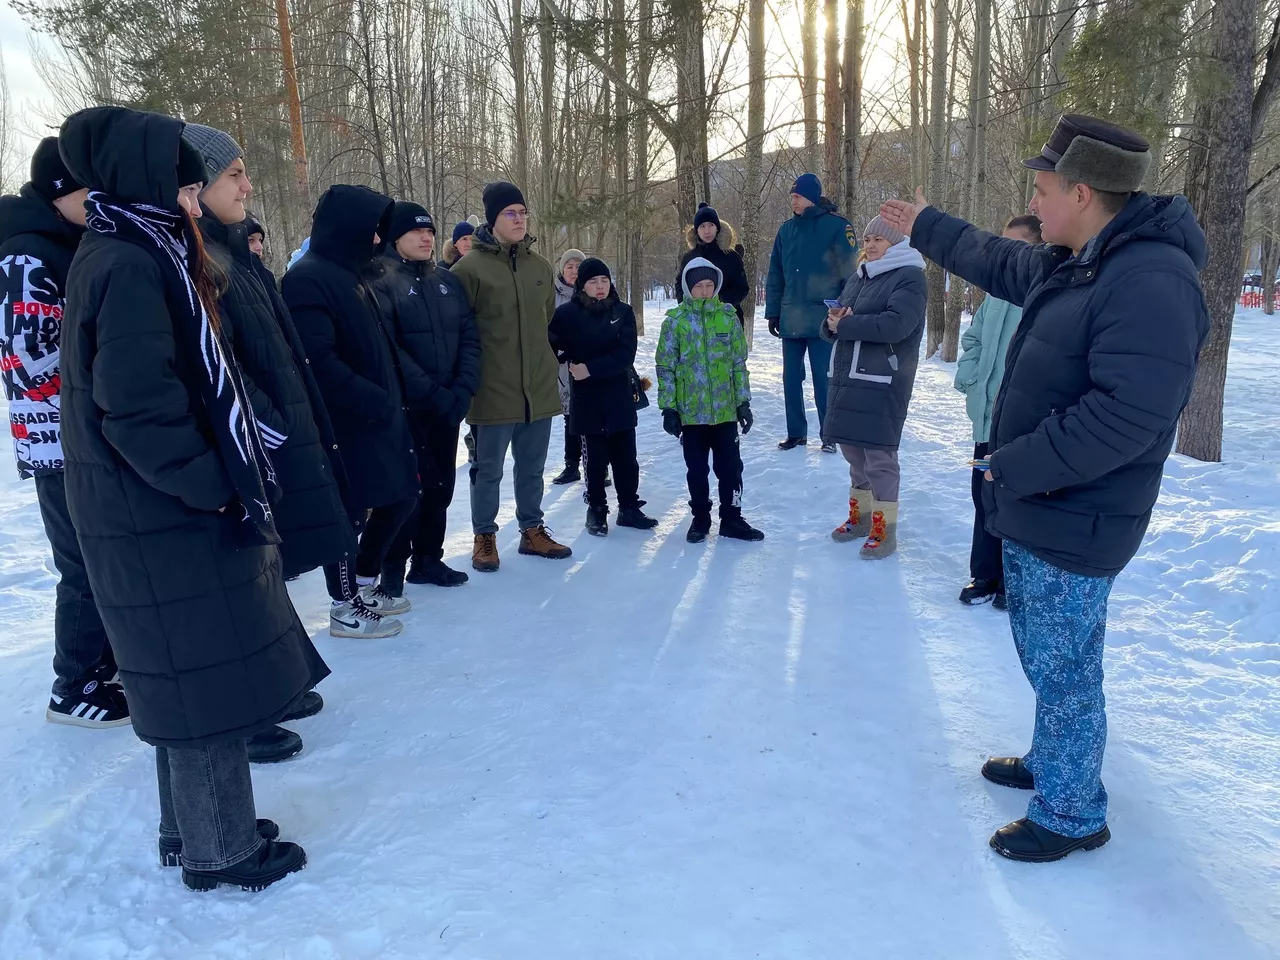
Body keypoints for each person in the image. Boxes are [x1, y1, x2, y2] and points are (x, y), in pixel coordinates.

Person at [880, 113, 1209, 862]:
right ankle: (1054, 760)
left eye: (1043, 189)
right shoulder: (1082, 259)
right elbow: (998, 260)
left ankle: (1070, 812)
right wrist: (927, 225)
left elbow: (1127, 417)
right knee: (1049, 656)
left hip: (1079, 513)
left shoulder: (1150, 281)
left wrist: (1014, 464)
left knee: (1064, 668)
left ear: (1082, 193)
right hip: (1048, 506)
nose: (1033, 202)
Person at [58, 105, 314, 891]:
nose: (194, 200)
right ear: (147, 180)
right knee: (202, 679)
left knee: (181, 674)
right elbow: (139, 414)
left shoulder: (127, 247)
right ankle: (221, 849)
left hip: (146, 512)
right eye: (184, 185)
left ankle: (190, 830)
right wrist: (216, 486)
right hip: (161, 512)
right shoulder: (133, 262)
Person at [186, 123, 354, 761]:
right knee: (247, 576)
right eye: (233, 174)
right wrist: (268, 425)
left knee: (270, 570)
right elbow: (217, 362)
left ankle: (280, 685)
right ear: (198, 184)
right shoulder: (200, 257)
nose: (247, 186)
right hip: (252, 444)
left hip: (278, 435)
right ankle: (252, 709)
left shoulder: (234, 251)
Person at [0, 137, 127, 728]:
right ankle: (72, 685)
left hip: (90, 429)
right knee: (81, 562)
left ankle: (105, 665)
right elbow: (25, 358)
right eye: (88, 191)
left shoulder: (70, 242)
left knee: (105, 555)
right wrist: (102, 373)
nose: (98, 201)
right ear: (59, 193)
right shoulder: (25, 255)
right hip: (56, 437)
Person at [282, 184, 419, 636]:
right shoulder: (308, 278)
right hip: (346, 422)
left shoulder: (352, 275)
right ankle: (344, 606)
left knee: (402, 495)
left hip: (380, 416)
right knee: (349, 513)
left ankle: (361, 584)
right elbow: (316, 360)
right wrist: (372, 399)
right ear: (347, 228)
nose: (379, 240)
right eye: (372, 230)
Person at [450, 181, 572, 571]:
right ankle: (484, 536)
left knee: (532, 467)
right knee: (488, 470)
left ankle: (532, 530)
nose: (519, 219)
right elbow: (458, 331)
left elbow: (547, 320)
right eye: (510, 213)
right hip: (492, 389)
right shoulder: (468, 269)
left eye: (523, 212)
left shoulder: (540, 267)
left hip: (537, 386)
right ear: (492, 219)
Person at [372, 201, 481, 590]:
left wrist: (462, 389)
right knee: (405, 489)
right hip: (407, 409)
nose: (426, 238)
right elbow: (388, 349)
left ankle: (428, 560)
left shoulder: (446, 282)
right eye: (416, 231)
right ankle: (391, 569)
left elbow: (469, 337)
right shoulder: (378, 282)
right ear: (395, 237)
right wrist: (433, 394)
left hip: (447, 406)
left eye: (430, 231)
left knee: (440, 486)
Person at [820, 217, 927, 560]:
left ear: (896, 243)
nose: (870, 245)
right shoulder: (861, 275)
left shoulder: (910, 276)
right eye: (867, 239)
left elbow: (897, 325)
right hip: (849, 377)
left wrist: (848, 324)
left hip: (884, 381)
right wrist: (832, 322)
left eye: (878, 239)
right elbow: (843, 318)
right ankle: (861, 517)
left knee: (879, 457)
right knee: (853, 453)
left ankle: (884, 529)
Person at [953, 214, 1042, 608]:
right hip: (986, 418)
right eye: (1003, 243)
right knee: (983, 494)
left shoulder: (1042, 291)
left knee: (1015, 499)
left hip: (1021, 421)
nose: (1007, 252)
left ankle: (1012, 581)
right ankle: (984, 573)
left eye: (1016, 244)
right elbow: (972, 339)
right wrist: (970, 376)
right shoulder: (995, 293)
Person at [657, 258, 763, 544]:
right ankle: (700, 518)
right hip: (691, 414)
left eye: (709, 285)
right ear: (688, 288)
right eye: (698, 286)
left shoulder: (727, 318)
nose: (704, 291)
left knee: (731, 469)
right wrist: (669, 409)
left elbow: (738, 364)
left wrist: (743, 402)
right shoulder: (675, 322)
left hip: (725, 412)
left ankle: (732, 518)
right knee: (697, 470)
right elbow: (665, 367)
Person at [549, 257, 656, 536]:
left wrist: (589, 368)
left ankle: (629, 507)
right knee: (594, 461)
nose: (600, 286)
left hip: (618, 395)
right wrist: (566, 357)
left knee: (626, 458)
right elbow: (551, 344)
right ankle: (596, 510)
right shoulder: (567, 314)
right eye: (593, 282)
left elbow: (625, 354)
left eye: (604, 281)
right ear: (582, 285)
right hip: (587, 400)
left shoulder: (623, 311)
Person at [765, 173, 858, 452]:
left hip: (824, 319)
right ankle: (796, 433)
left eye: (798, 196)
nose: (793, 200)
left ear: (812, 198)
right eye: (792, 196)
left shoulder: (837, 226)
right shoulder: (786, 231)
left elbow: (850, 273)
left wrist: (845, 311)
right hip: (791, 317)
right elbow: (776, 275)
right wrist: (773, 311)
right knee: (791, 378)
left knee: (824, 378)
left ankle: (829, 435)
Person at [676, 202, 750, 326]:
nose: (707, 231)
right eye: (702, 226)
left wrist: (718, 303)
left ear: (717, 227)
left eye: (711, 225)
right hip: (695, 322)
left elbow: (741, 288)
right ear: (696, 230)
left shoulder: (731, 256)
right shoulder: (689, 258)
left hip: (726, 321)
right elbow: (680, 284)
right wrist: (687, 305)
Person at [550, 248, 586, 485]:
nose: (574, 271)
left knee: (594, 417)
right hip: (564, 365)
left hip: (589, 365)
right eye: (569, 266)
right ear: (562, 269)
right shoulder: (551, 294)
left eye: (578, 267)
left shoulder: (593, 290)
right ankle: (571, 465)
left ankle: (599, 465)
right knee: (570, 416)